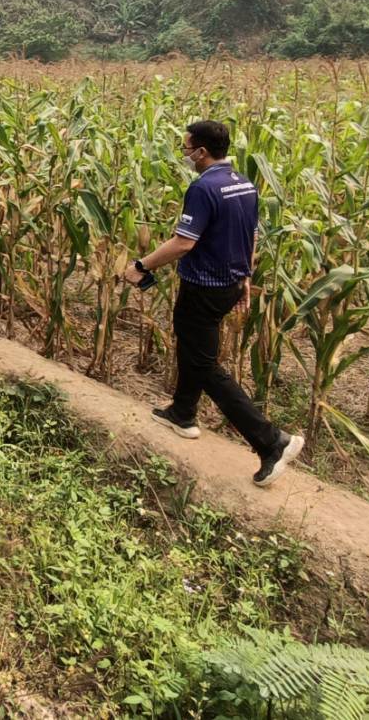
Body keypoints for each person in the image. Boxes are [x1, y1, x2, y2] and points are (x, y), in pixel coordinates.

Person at [122, 119, 304, 487]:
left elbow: (184, 242)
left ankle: (270, 442)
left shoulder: (204, 188)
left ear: (202, 152)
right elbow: (250, 235)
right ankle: (183, 413)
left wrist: (140, 265)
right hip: (231, 284)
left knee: (203, 364)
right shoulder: (245, 183)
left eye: (187, 148)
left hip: (204, 288)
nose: (186, 155)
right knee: (194, 349)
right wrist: (246, 277)